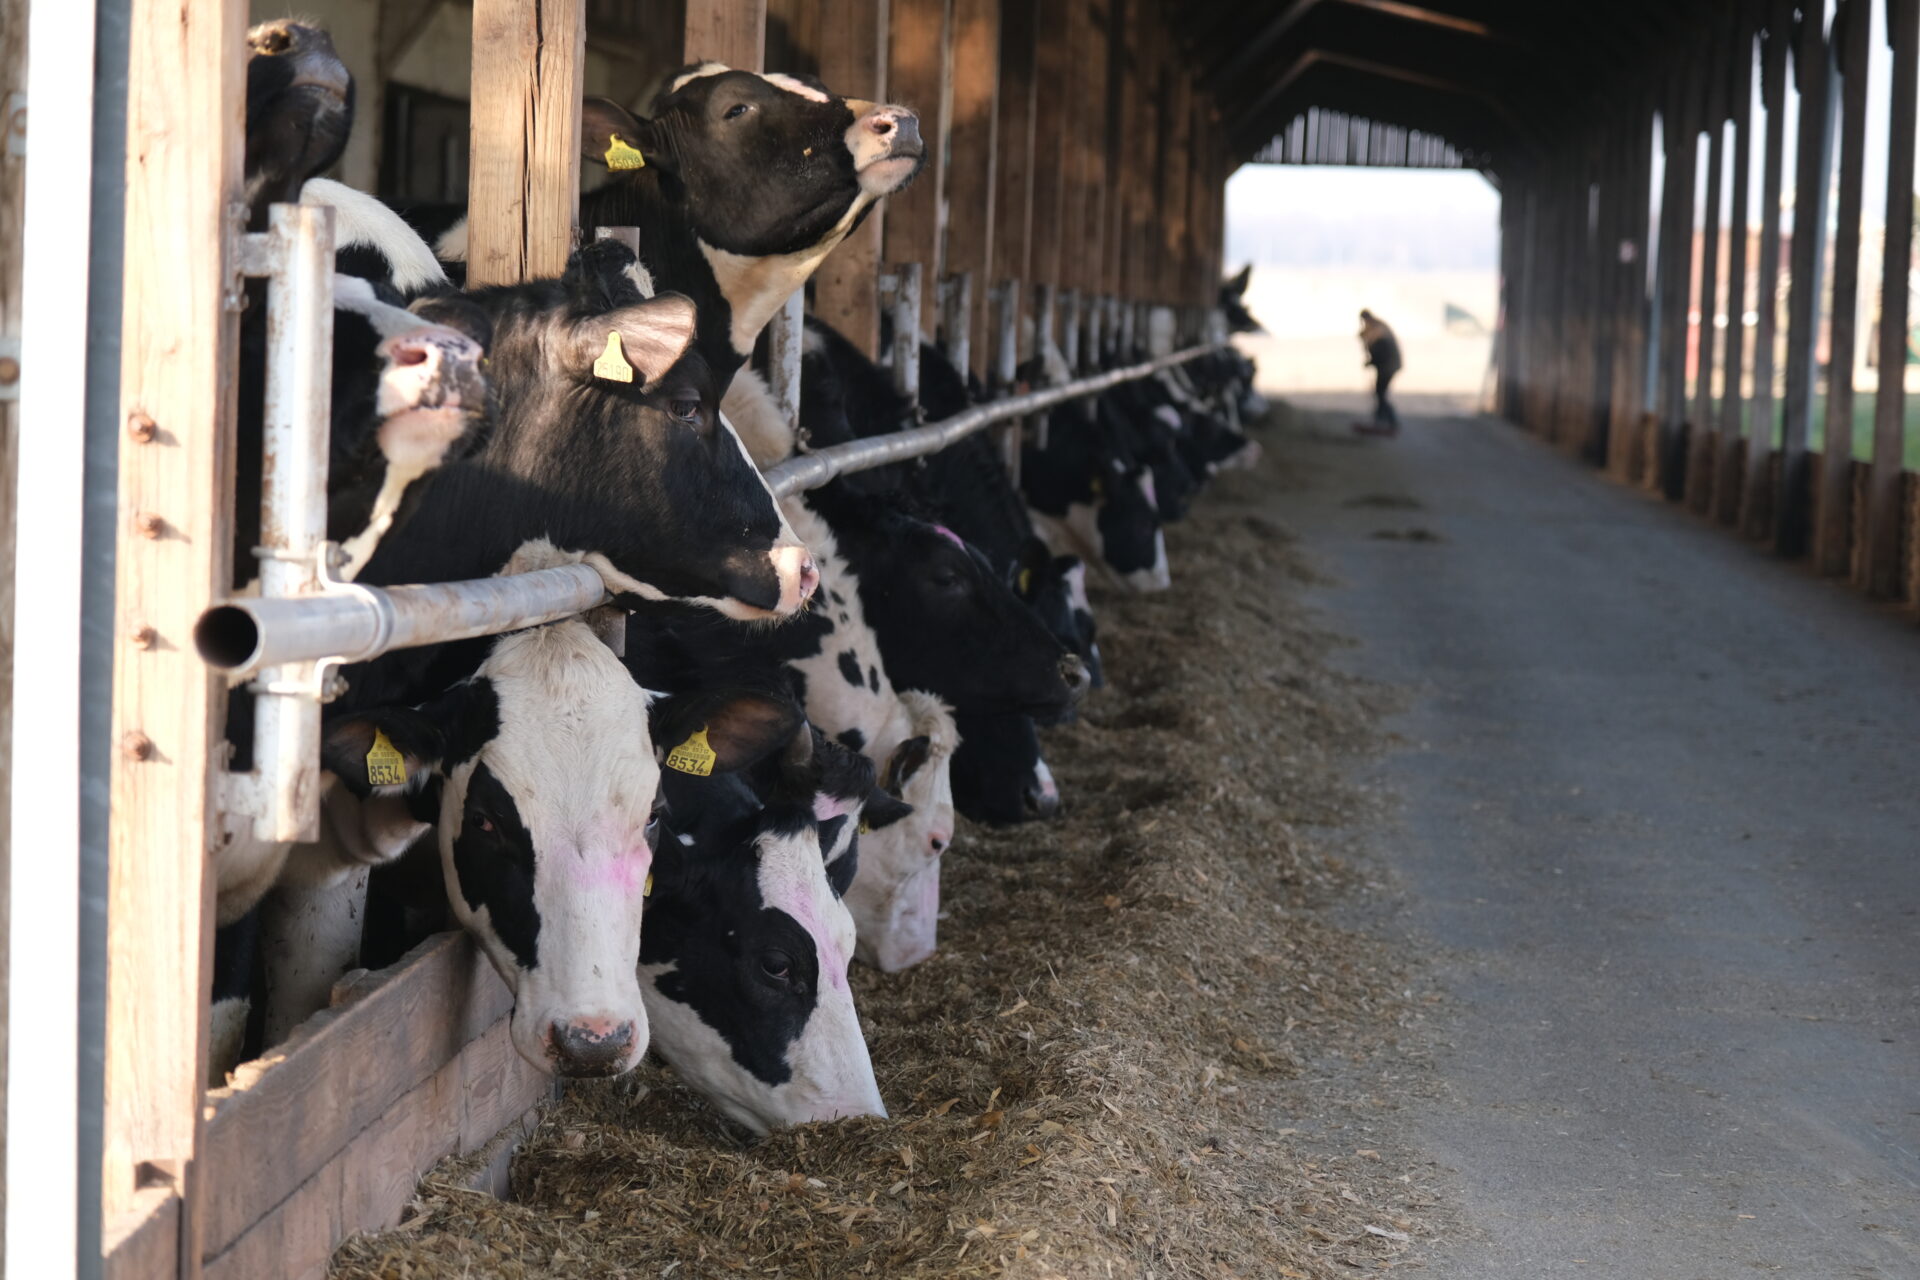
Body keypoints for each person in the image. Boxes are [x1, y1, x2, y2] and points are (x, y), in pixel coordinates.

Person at [1354, 309, 1402, 437]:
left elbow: (1382, 353)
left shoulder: (1378, 330)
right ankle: (1381, 421)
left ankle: (1390, 422)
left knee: (1380, 394)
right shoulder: (1377, 328)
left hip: (1388, 366)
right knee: (1379, 393)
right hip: (1388, 366)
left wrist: (1371, 361)